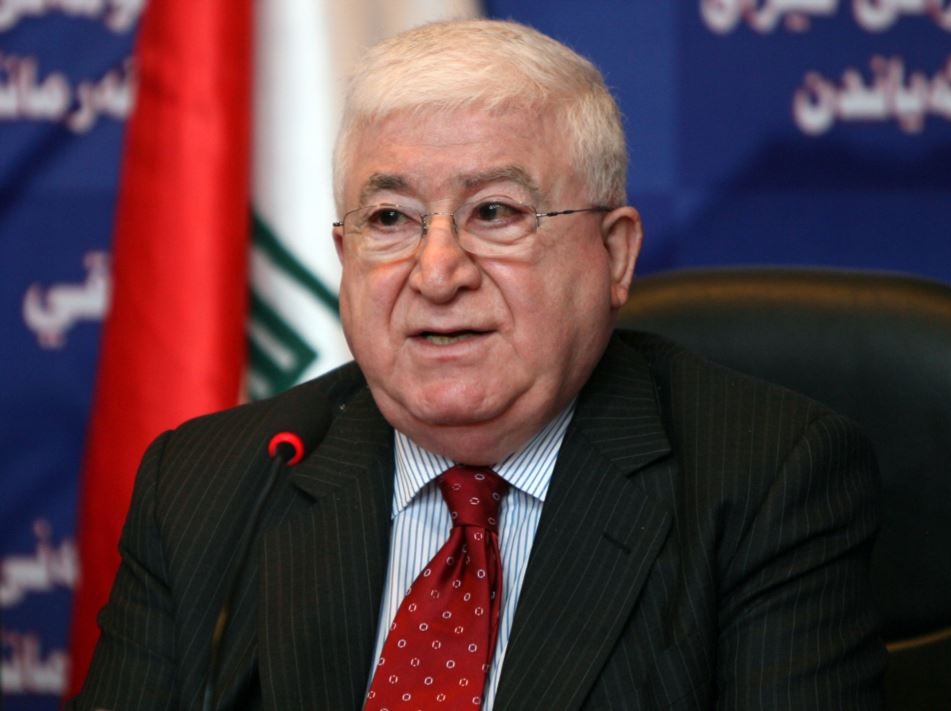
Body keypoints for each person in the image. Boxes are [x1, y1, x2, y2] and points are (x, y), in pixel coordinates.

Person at [71, 19, 885, 710]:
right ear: (344, 259)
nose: (436, 272)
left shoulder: (766, 481)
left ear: (614, 255)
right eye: (390, 218)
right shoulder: (212, 485)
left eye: (494, 211)